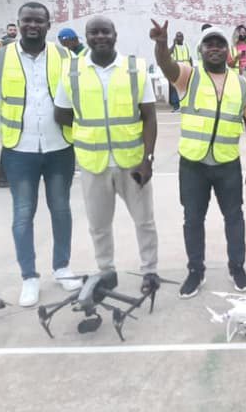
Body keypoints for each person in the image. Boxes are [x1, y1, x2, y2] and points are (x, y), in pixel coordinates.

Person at [0, 2, 81, 307]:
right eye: (27, 21)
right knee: (23, 215)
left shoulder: (65, 57)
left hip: (59, 149)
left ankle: (62, 268)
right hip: (18, 151)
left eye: (39, 21)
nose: (32, 25)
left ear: (48, 25)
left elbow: (79, 101)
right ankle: (29, 277)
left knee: (61, 209)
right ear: (18, 23)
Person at [151, 22, 246, 297]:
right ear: (201, 49)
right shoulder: (189, 76)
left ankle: (237, 268)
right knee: (193, 219)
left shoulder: (243, 85)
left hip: (227, 164)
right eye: (209, 44)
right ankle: (195, 271)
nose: (215, 48)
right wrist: (162, 44)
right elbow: (166, 65)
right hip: (193, 165)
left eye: (220, 44)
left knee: (234, 217)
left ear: (228, 50)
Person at [54, 15, 160, 294]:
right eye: (94, 32)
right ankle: (106, 271)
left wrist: (147, 159)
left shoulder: (135, 68)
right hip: (93, 163)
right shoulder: (71, 70)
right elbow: (61, 114)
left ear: (115, 35)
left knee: (145, 221)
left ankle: (150, 271)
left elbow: (149, 117)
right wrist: (91, 132)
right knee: (98, 225)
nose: (100, 37)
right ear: (85, 37)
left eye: (105, 31)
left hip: (132, 162)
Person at [168, 31, 192, 112]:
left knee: (186, 88)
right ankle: (176, 106)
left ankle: (185, 105)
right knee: (175, 88)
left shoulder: (186, 46)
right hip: (177, 70)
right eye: (177, 36)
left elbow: (190, 58)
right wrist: (174, 44)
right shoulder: (173, 47)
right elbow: (168, 53)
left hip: (187, 70)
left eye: (180, 36)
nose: (179, 38)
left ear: (183, 38)